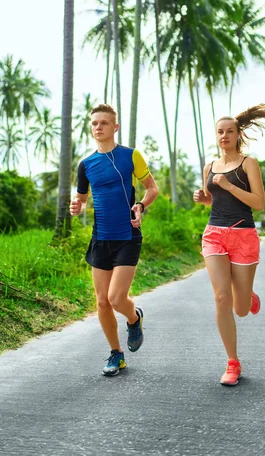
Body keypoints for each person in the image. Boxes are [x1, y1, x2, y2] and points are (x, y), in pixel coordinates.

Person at [70, 104, 158, 376]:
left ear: (115, 127)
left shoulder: (130, 156)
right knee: (102, 302)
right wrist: (77, 206)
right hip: (101, 237)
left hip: (127, 236)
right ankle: (116, 354)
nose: (99, 127)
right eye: (95, 123)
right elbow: (83, 200)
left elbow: (152, 189)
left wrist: (140, 206)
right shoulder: (85, 165)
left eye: (104, 123)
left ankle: (134, 318)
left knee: (117, 298)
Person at [193, 104, 265, 386]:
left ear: (238, 135)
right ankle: (232, 362)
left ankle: (247, 296)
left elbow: (259, 204)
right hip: (214, 234)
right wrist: (205, 199)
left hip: (244, 235)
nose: (224, 135)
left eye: (229, 131)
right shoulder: (210, 167)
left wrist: (228, 186)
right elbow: (215, 201)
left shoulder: (248, 164)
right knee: (222, 298)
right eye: (220, 132)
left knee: (239, 308)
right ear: (216, 136)